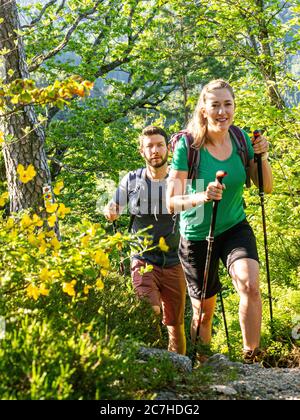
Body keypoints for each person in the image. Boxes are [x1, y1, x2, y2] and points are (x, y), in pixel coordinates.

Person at [167, 79, 273, 362]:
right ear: (204, 109)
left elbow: (266, 186)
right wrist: (202, 196)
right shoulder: (188, 146)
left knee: (250, 285)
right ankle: (203, 370)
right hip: (196, 234)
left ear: (234, 107)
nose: (222, 111)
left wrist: (261, 155)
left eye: (228, 104)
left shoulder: (240, 139)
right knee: (203, 313)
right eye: (215, 105)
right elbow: (171, 201)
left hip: (234, 226)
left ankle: (252, 357)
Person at [104, 126, 186, 355]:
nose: (155, 150)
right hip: (143, 259)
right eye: (149, 146)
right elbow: (114, 207)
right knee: (150, 311)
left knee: (175, 325)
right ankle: (152, 362)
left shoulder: (179, 180)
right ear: (142, 152)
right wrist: (110, 211)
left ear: (168, 149)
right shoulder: (131, 179)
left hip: (175, 260)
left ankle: (179, 369)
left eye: (159, 145)